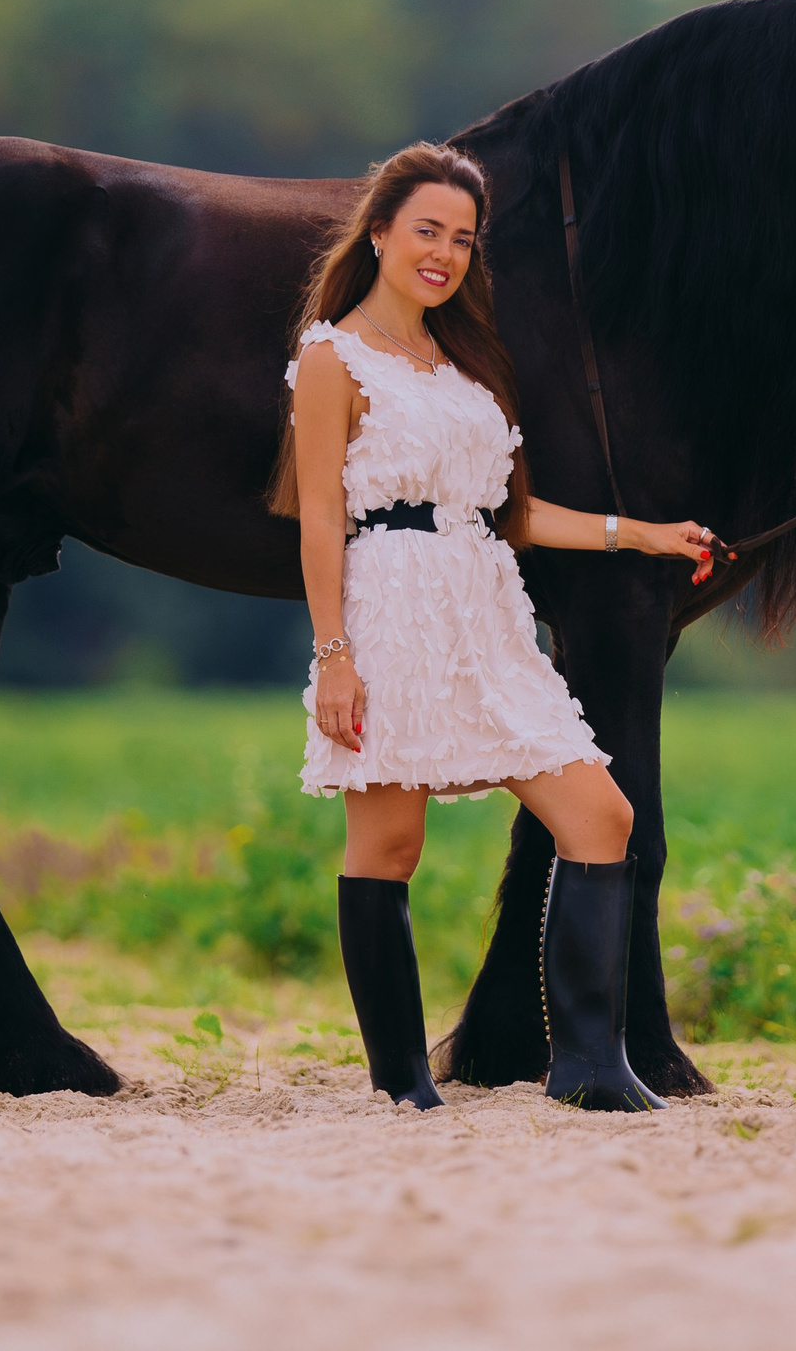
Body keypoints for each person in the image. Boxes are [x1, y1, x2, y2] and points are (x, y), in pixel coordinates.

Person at [269, 142, 722, 1113]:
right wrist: (334, 656)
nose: (444, 253)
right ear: (380, 229)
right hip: (388, 605)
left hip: (484, 608)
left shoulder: (463, 361)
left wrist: (636, 532)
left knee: (602, 815)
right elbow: (318, 515)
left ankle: (590, 1065)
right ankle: (402, 1081)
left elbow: (506, 511)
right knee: (388, 847)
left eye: (463, 240)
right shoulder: (330, 357)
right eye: (427, 230)